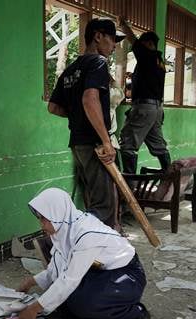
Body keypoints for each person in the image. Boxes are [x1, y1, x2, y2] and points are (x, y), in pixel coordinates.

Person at [16, 188, 154, 319]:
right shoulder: (63, 229)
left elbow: (70, 279)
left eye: (45, 219)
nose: (41, 224)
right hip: (99, 270)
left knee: (87, 306)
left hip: (126, 274)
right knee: (68, 307)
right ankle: (99, 308)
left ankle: (136, 315)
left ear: (57, 214)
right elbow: (57, 269)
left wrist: (35, 308)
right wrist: (29, 282)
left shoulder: (86, 234)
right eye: (40, 219)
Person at [47, 19, 124, 229]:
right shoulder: (97, 62)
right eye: (112, 39)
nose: (114, 45)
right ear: (98, 36)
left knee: (94, 198)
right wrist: (105, 141)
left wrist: (78, 117)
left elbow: (53, 107)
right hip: (94, 144)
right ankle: (83, 247)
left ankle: (90, 248)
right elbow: (90, 100)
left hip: (78, 143)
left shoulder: (70, 70)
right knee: (104, 205)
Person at [117, 16, 172, 174]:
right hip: (156, 109)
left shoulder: (147, 55)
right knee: (158, 144)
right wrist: (132, 79)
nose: (138, 48)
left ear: (148, 44)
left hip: (144, 108)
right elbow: (148, 82)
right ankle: (170, 181)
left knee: (127, 144)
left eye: (142, 44)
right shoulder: (158, 62)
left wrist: (123, 24)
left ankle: (130, 188)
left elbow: (133, 40)